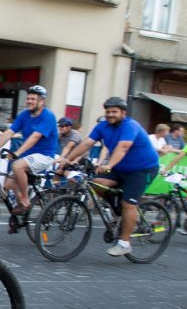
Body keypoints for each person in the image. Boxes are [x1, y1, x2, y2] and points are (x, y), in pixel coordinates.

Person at [60, 96, 159, 257]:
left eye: (114, 112)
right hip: (121, 167)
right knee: (96, 183)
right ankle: (117, 211)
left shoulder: (130, 126)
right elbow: (86, 143)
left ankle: (124, 243)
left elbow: (123, 147)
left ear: (123, 113)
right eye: (108, 112)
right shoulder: (103, 126)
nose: (110, 114)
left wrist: (108, 165)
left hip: (142, 169)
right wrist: (67, 159)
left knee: (128, 204)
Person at [0, 85, 59, 223]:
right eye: (28, 98)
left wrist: (17, 153)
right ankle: (20, 218)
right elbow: (9, 132)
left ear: (42, 101)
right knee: (7, 184)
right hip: (29, 156)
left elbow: (35, 137)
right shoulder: (24, 114)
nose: (29, 101)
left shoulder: (48, 116)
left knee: (17, 166)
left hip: (45, 156)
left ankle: (25, 200)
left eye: (33, 98)